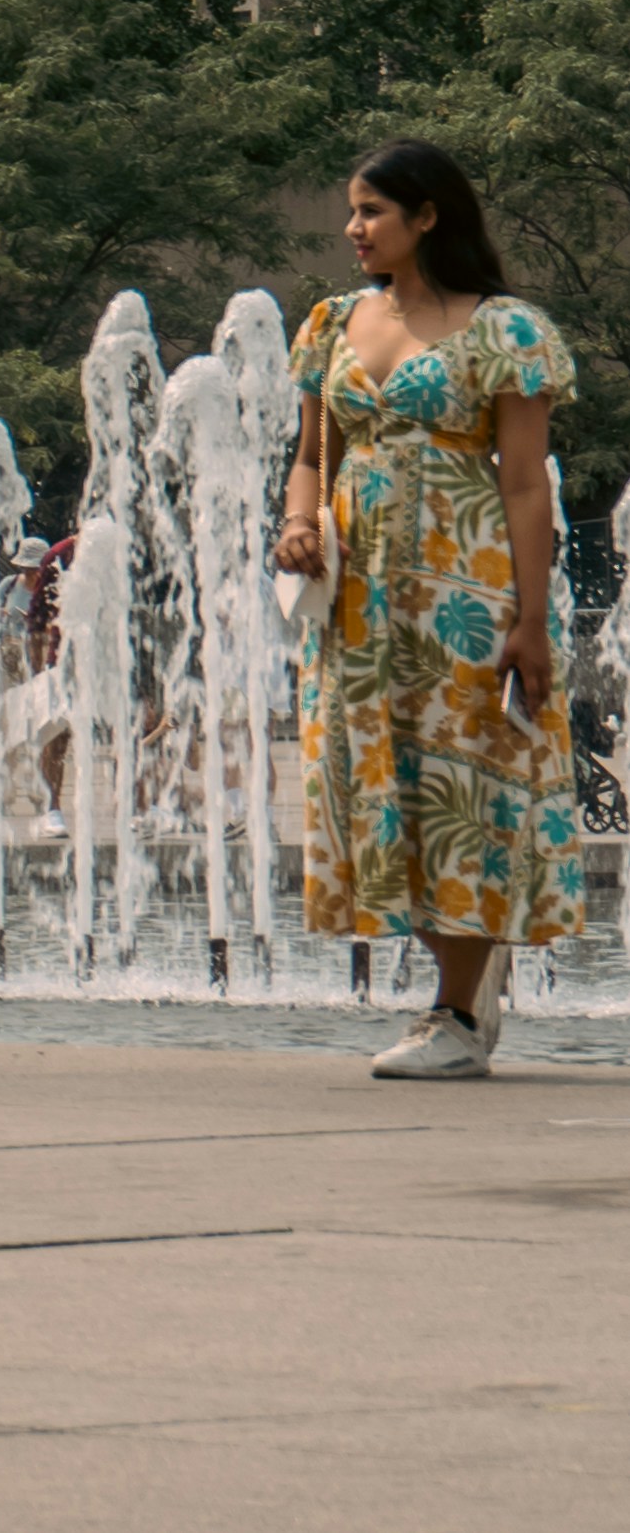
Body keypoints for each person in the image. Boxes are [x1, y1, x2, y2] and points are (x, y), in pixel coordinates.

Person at [281, 139, 586, 1080]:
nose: (354, 229)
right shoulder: (333, 323)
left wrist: (529, 623)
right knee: (380, 780)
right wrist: (296, 521)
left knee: (467, 785)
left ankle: (454, 1014)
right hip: (360, 602)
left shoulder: (504, 330)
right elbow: (308, 454)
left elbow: (527, 486)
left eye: (373, 210)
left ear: (428, 217)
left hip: (464, 588)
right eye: (352, 209)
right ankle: (459, 988)